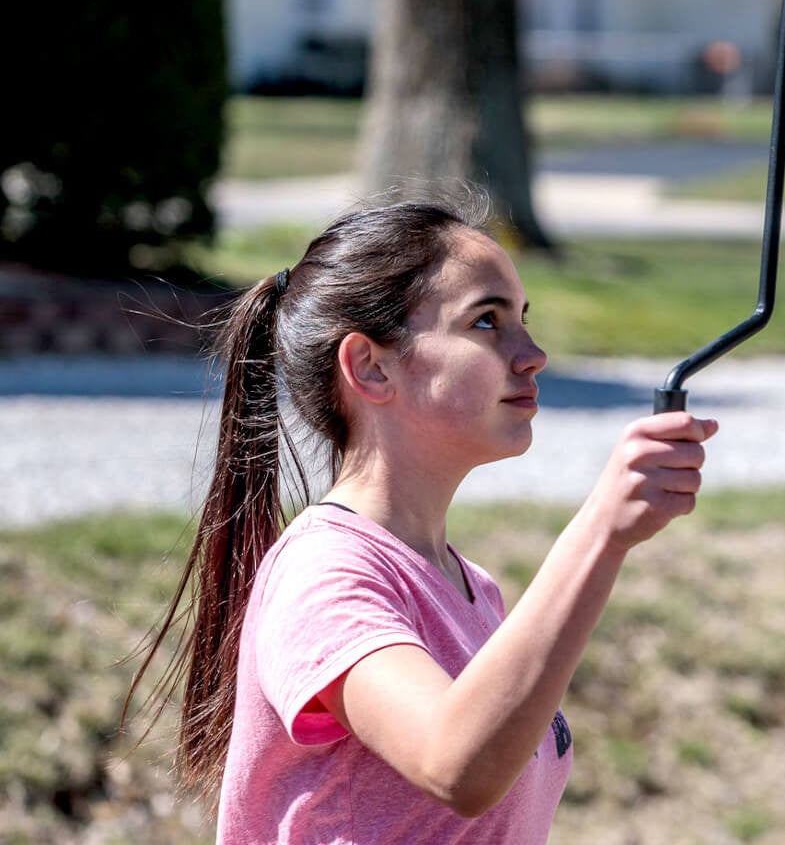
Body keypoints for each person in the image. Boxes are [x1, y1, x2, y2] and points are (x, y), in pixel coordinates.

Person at [130, 196, 715, 843]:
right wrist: (601, 532)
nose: (533, 354)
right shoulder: (324, 574)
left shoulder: (475, 590)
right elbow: (456, 764)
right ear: (370, 367)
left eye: (523, 318)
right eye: (487, 322)